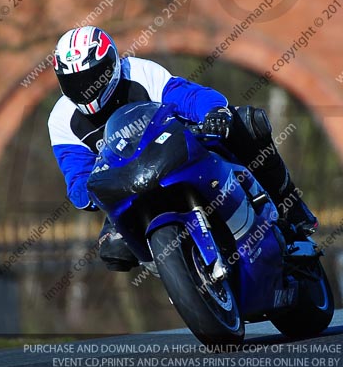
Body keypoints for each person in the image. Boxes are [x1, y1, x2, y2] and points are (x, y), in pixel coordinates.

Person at [48, 25, 318, 271]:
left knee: (247, 123)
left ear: (112, 64)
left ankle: (290, 209)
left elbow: (187, 95)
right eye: (75, 82)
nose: (85, 89)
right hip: (126, 186)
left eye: (92, 77)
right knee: (114, 249)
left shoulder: (140, 73)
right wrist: (88, 192)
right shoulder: (61, 120)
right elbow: (75, 173)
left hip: (176, 151)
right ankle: (183, 274)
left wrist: (213, 112)